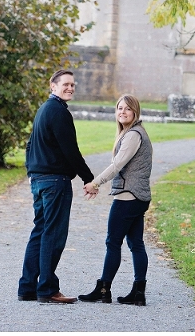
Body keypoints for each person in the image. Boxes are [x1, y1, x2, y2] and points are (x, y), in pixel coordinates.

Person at [17, 69, 95, 304]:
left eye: (73, 85)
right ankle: (47, 289)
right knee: (53, 235)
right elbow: (70, 150)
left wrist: (31, 172)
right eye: (66, 84)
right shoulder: (58, 112)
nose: (70, 88)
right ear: (53, 86)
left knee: (40, 232)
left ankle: (27, 287)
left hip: (40, 181)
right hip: (54, 183)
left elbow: (29, 146)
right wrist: (88, 178)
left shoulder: (43, 110)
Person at [79, 94, 153, 306]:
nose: (122, 112)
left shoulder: (133, 135)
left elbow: (117, 165)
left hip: (128, 197)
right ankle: (138, 292)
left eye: (127, 109)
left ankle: (104, 289)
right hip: (138, 196)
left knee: (113, 242)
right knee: (136, 243)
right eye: (119, 108)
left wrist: (95, 183)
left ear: (135, 112)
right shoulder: (134, 133)